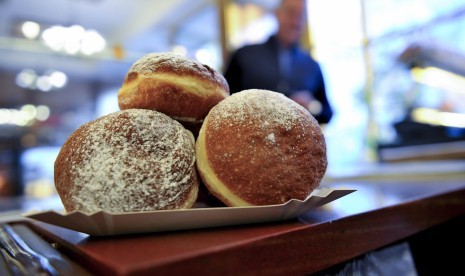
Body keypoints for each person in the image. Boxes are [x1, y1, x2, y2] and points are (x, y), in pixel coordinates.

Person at [224, 0, 333, 124]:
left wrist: (312, 105)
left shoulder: (313, 66)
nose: (295, 21)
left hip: (298, 141)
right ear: (277, 14)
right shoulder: (244, 55)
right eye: (290, 13)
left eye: (300, 15)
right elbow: (224, 101)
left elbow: (327, 112)